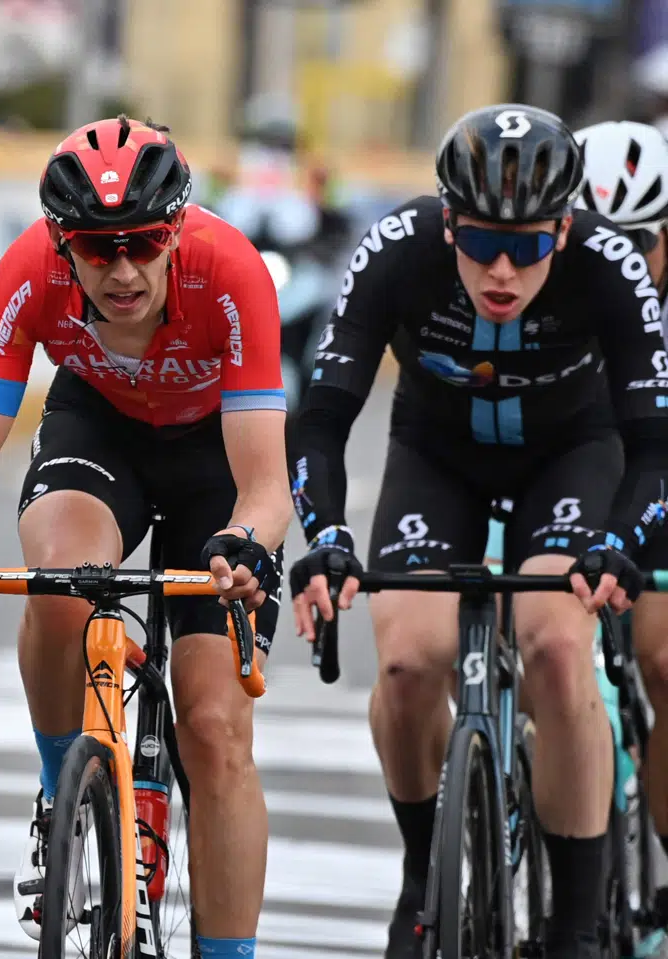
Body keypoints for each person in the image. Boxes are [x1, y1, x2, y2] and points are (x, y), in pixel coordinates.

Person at [287, 103, 668, 959]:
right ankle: (424, 873)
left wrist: (623, 541)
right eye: (481, 243)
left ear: (564, 230)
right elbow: (321, 419)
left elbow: (653, 442)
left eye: (529, 246)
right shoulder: (397, 247)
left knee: (558, 647)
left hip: (569, 454)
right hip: (437, 455)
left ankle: (574, 923)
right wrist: (326, 538)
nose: (502, 269)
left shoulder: (610, 262)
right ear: (448, 221)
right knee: (407, 659)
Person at [0, 115, 291, 955]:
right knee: (61, 583)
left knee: (213, 727)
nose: (125, 268)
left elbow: (266, 486)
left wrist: (246, 544)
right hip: (99, 429)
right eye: (99, 250)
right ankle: (63, 786)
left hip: (215, 456)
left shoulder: (231, 272)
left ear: (175, 229)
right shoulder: (27, 272)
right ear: (64, 245)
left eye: (143, 242)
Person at [575, 118, 668, 913]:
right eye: (598, 236)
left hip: (656, 482)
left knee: (665, 663)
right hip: (564, 480)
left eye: (637, 242)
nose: (619, 260)